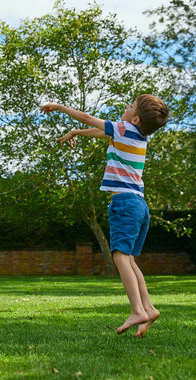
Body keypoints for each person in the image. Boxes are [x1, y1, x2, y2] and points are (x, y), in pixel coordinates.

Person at [40, 94, 169, 337]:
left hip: (124, 203)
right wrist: (77, 132)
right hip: (139, 205)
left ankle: (136, 310)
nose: (126, 107)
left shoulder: (124, 128)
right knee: (129, 259)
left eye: (130, 106)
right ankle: (149, 308)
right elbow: (102, 133)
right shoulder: (136, 135)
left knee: (120, 257)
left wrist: (58, 106)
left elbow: (89, 118)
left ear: (136, 118)